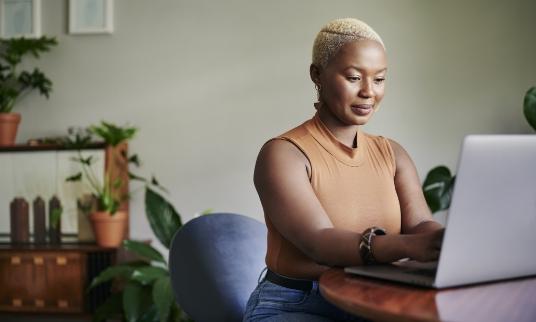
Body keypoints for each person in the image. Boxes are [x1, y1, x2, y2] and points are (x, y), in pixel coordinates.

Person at [243, 18, 444, 322]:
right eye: (354, 77)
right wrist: (409, 247)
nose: (368, 92)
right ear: (317, 74)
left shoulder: (393, 154)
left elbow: (420, 224)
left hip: (378, 297)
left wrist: (449, 242)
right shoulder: (283, 153)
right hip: (299, 304)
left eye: (379, 79)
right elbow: (319, 242)